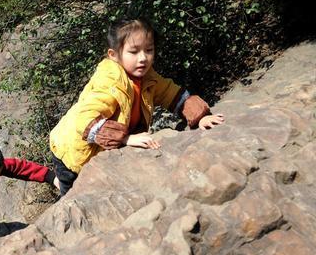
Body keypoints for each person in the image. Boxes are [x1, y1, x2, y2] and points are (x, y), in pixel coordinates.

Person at [49, 18, 225, 195]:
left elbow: (171, 94)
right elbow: (85, 121)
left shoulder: (147, 76)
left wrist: (201, 115)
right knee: (76, 196)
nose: (143, 58)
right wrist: (125, 139)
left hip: (105, 143)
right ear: (114, 55)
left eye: (149, 50)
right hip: (73, 152)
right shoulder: (109, 82)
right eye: (133, 52)